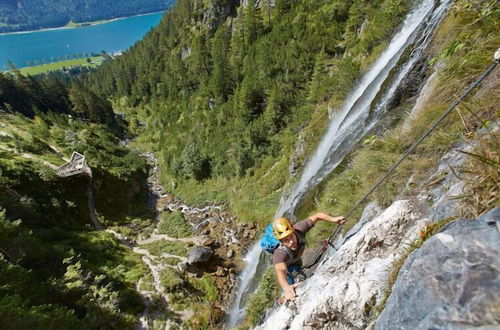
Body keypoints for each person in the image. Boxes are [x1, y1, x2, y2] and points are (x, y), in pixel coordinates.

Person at [272, 213, 346, 303]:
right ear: (281, 242)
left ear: (293, 230)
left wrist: (334, 219)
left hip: (296, 260)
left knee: (301, 282)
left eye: (291, 236)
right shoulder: (280, 253)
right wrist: (286, 287)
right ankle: (280, 301)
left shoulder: (299, 229)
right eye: (286, 240)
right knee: (294, 293)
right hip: (288, 268)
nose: (291, 242)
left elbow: (317, 216)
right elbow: (281, 270)